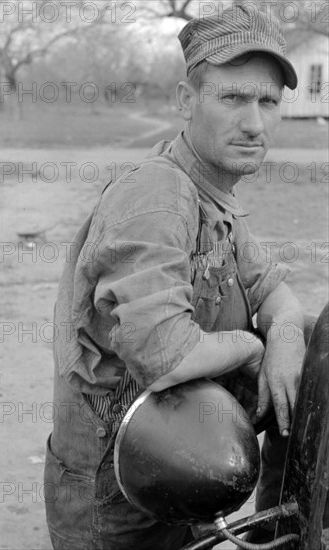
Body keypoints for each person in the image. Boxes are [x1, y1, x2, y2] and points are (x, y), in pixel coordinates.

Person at [44, 5, 308, 549]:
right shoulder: (158, 195)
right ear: (187, 101)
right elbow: (165, 355)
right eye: (232, 98)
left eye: (268, 102)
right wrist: (249, 347)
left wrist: (283, 336)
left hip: (183, 458)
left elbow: (275, 293)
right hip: (118, 492)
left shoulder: (217, 198)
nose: (255, 123)